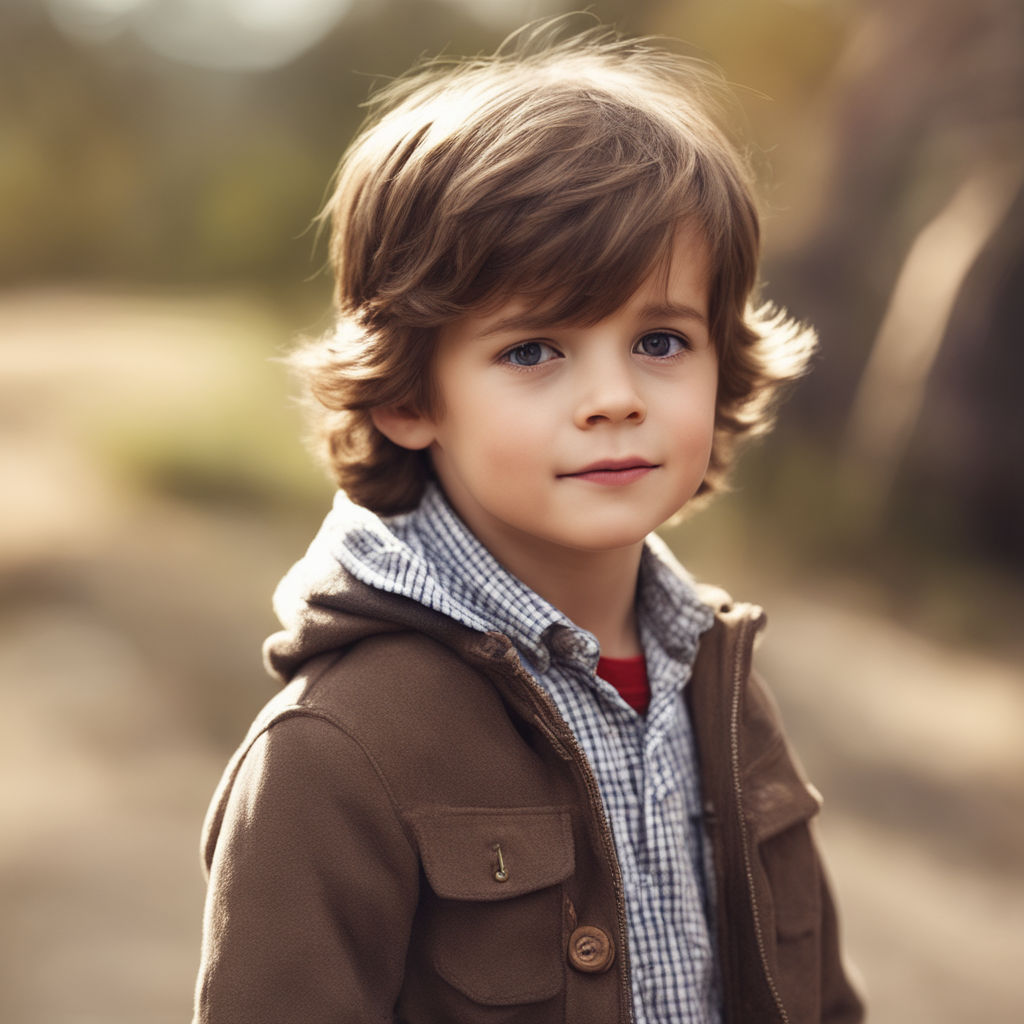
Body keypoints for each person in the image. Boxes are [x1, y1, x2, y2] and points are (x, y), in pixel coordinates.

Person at [193, 21, 864, 1024]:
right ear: (409, 396)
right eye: (535, 350)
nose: (613, 397)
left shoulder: (719, 685)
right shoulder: (334, 751)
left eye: (660, 339)